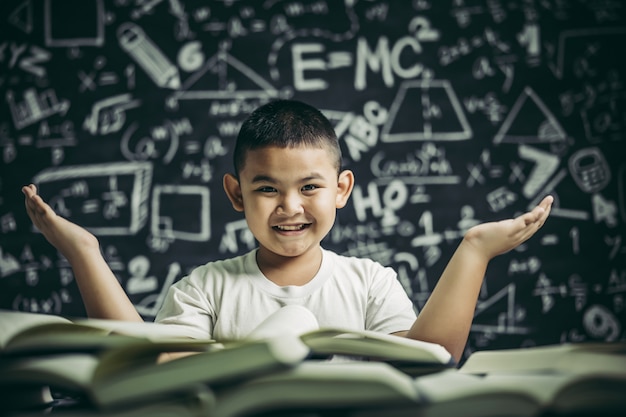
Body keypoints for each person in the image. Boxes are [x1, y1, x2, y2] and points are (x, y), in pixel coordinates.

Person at [22, 100, 553, 362]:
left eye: (310, 187)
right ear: (236, 195)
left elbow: (430, 360)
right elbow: (152, 363)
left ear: (342, 190)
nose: (290, 207)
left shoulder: (370, 281)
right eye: (267, 189)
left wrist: (475, 251)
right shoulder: (205, 287)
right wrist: (84, 253)